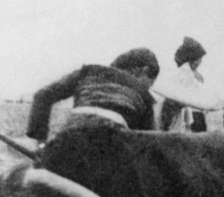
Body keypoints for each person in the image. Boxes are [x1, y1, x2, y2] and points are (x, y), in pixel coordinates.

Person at [27, 47, 160, 146]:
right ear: (144, 70)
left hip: (68, 138)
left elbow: (42, 96)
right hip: (110, 144)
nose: (148, 88)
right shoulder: (143, 94)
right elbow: (149, 142)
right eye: (150, 82)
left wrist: (41, 144)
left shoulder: (87, 73)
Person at [158, 37, 221, 132]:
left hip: (182, 110)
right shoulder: (185, 72)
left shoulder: (186, 72)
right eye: (196, 61)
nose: (198, 63)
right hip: (175, 109)